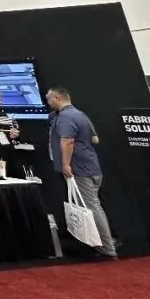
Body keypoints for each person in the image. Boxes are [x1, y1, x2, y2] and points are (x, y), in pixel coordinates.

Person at [47, 87, 117, 259]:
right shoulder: (80, 114)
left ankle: (108, 248)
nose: (47, 102)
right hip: (90, 166)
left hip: (79, 169)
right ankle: (99, 244)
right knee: (91, 205)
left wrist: (65, 164)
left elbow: (67, 142)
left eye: (49, 98)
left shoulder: (66, 117)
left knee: (92, 207)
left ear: (57, 98)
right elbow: (95, 138)